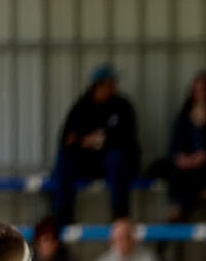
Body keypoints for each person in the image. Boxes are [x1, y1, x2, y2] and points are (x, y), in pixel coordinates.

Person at [50, 64, 140, 226]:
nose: (113, 86)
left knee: (117, 158)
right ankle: (63, 214)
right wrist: (88, 141)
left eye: (113, 82)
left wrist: (97, 140)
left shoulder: (122, 106)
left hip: (112, 163)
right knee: (64, 159)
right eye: (109, 82)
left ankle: (120, 215)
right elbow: (66, 139)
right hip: (87, 162)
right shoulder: (82, 106)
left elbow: (126, 137)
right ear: (97, 85)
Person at [158, 71, 206, 220]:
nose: (199, 93)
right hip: (187, 163)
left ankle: (182, 212)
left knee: (193, 177)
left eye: (202, 89)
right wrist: (182, 157)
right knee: (176, 172)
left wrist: (205, 154)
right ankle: (176, 208)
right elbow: (175, 143)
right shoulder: (185, 113)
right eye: (195, 90)